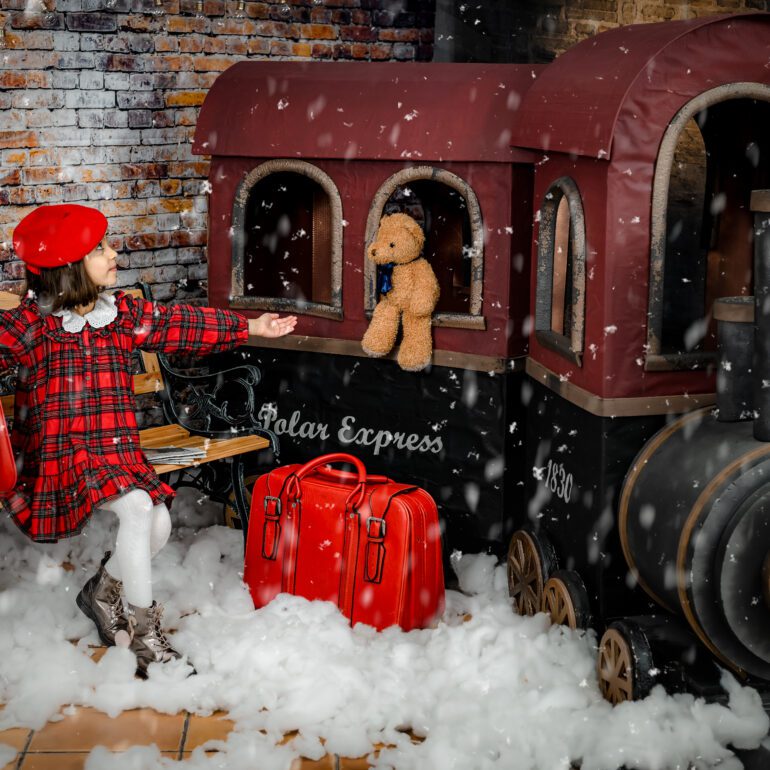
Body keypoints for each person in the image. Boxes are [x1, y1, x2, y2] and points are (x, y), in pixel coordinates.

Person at [2, 203, 297, 677]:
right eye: (99, 248)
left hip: (116, 447)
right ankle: (144, 637)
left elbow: (182, 324)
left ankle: (100, 592)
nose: (113, 253)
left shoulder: (121, 315)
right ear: (68, 267)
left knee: (157, 525)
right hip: (65, 453)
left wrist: (250, 327)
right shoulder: (31, 327)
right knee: (140, 510)